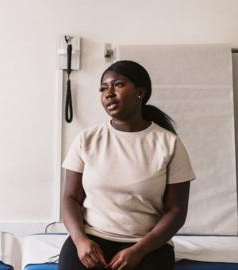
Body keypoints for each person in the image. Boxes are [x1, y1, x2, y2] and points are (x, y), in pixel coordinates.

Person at [59, 60, 196, 270]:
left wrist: (139, 251)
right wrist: (80, 240)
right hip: (92, 239)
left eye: (118, 85)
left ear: (141, 92)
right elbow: (70, 198)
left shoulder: (169, 144)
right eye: (103, 88)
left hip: (148, 245)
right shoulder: (86, 139)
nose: (108, 93)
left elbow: (176, 211)